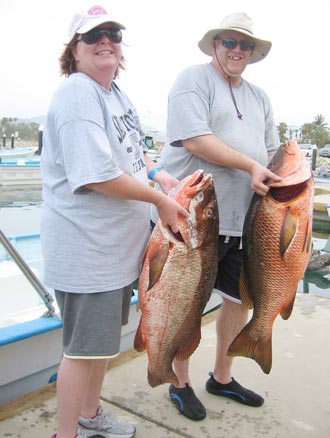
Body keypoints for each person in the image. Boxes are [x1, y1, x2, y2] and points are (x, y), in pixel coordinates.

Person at [41, 5, 188, 438]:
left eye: (113, 33)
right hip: (88, 251)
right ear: (74, 50)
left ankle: (91, 414)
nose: (106, 40)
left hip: (117, 250)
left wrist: (157, 172)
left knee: (101, 346)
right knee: (82, 351)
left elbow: (130, 150)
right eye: (93, 36)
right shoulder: (77, 93)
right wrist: (161, 201)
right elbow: (97, 174)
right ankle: (66, 433)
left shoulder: (115, 93)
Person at [150, 12, 281, 421]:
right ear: (214, 46)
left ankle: (221, 376)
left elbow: (271, 151)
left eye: (245, 45)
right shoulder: (193, 79)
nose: (237, 50)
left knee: (238, 301)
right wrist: (249, 166)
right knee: (187, 303)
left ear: (252, 52)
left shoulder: (260, 96)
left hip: (245, 220)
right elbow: (195, 139)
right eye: (229, 42)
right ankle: (179, 381)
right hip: (195, 222)